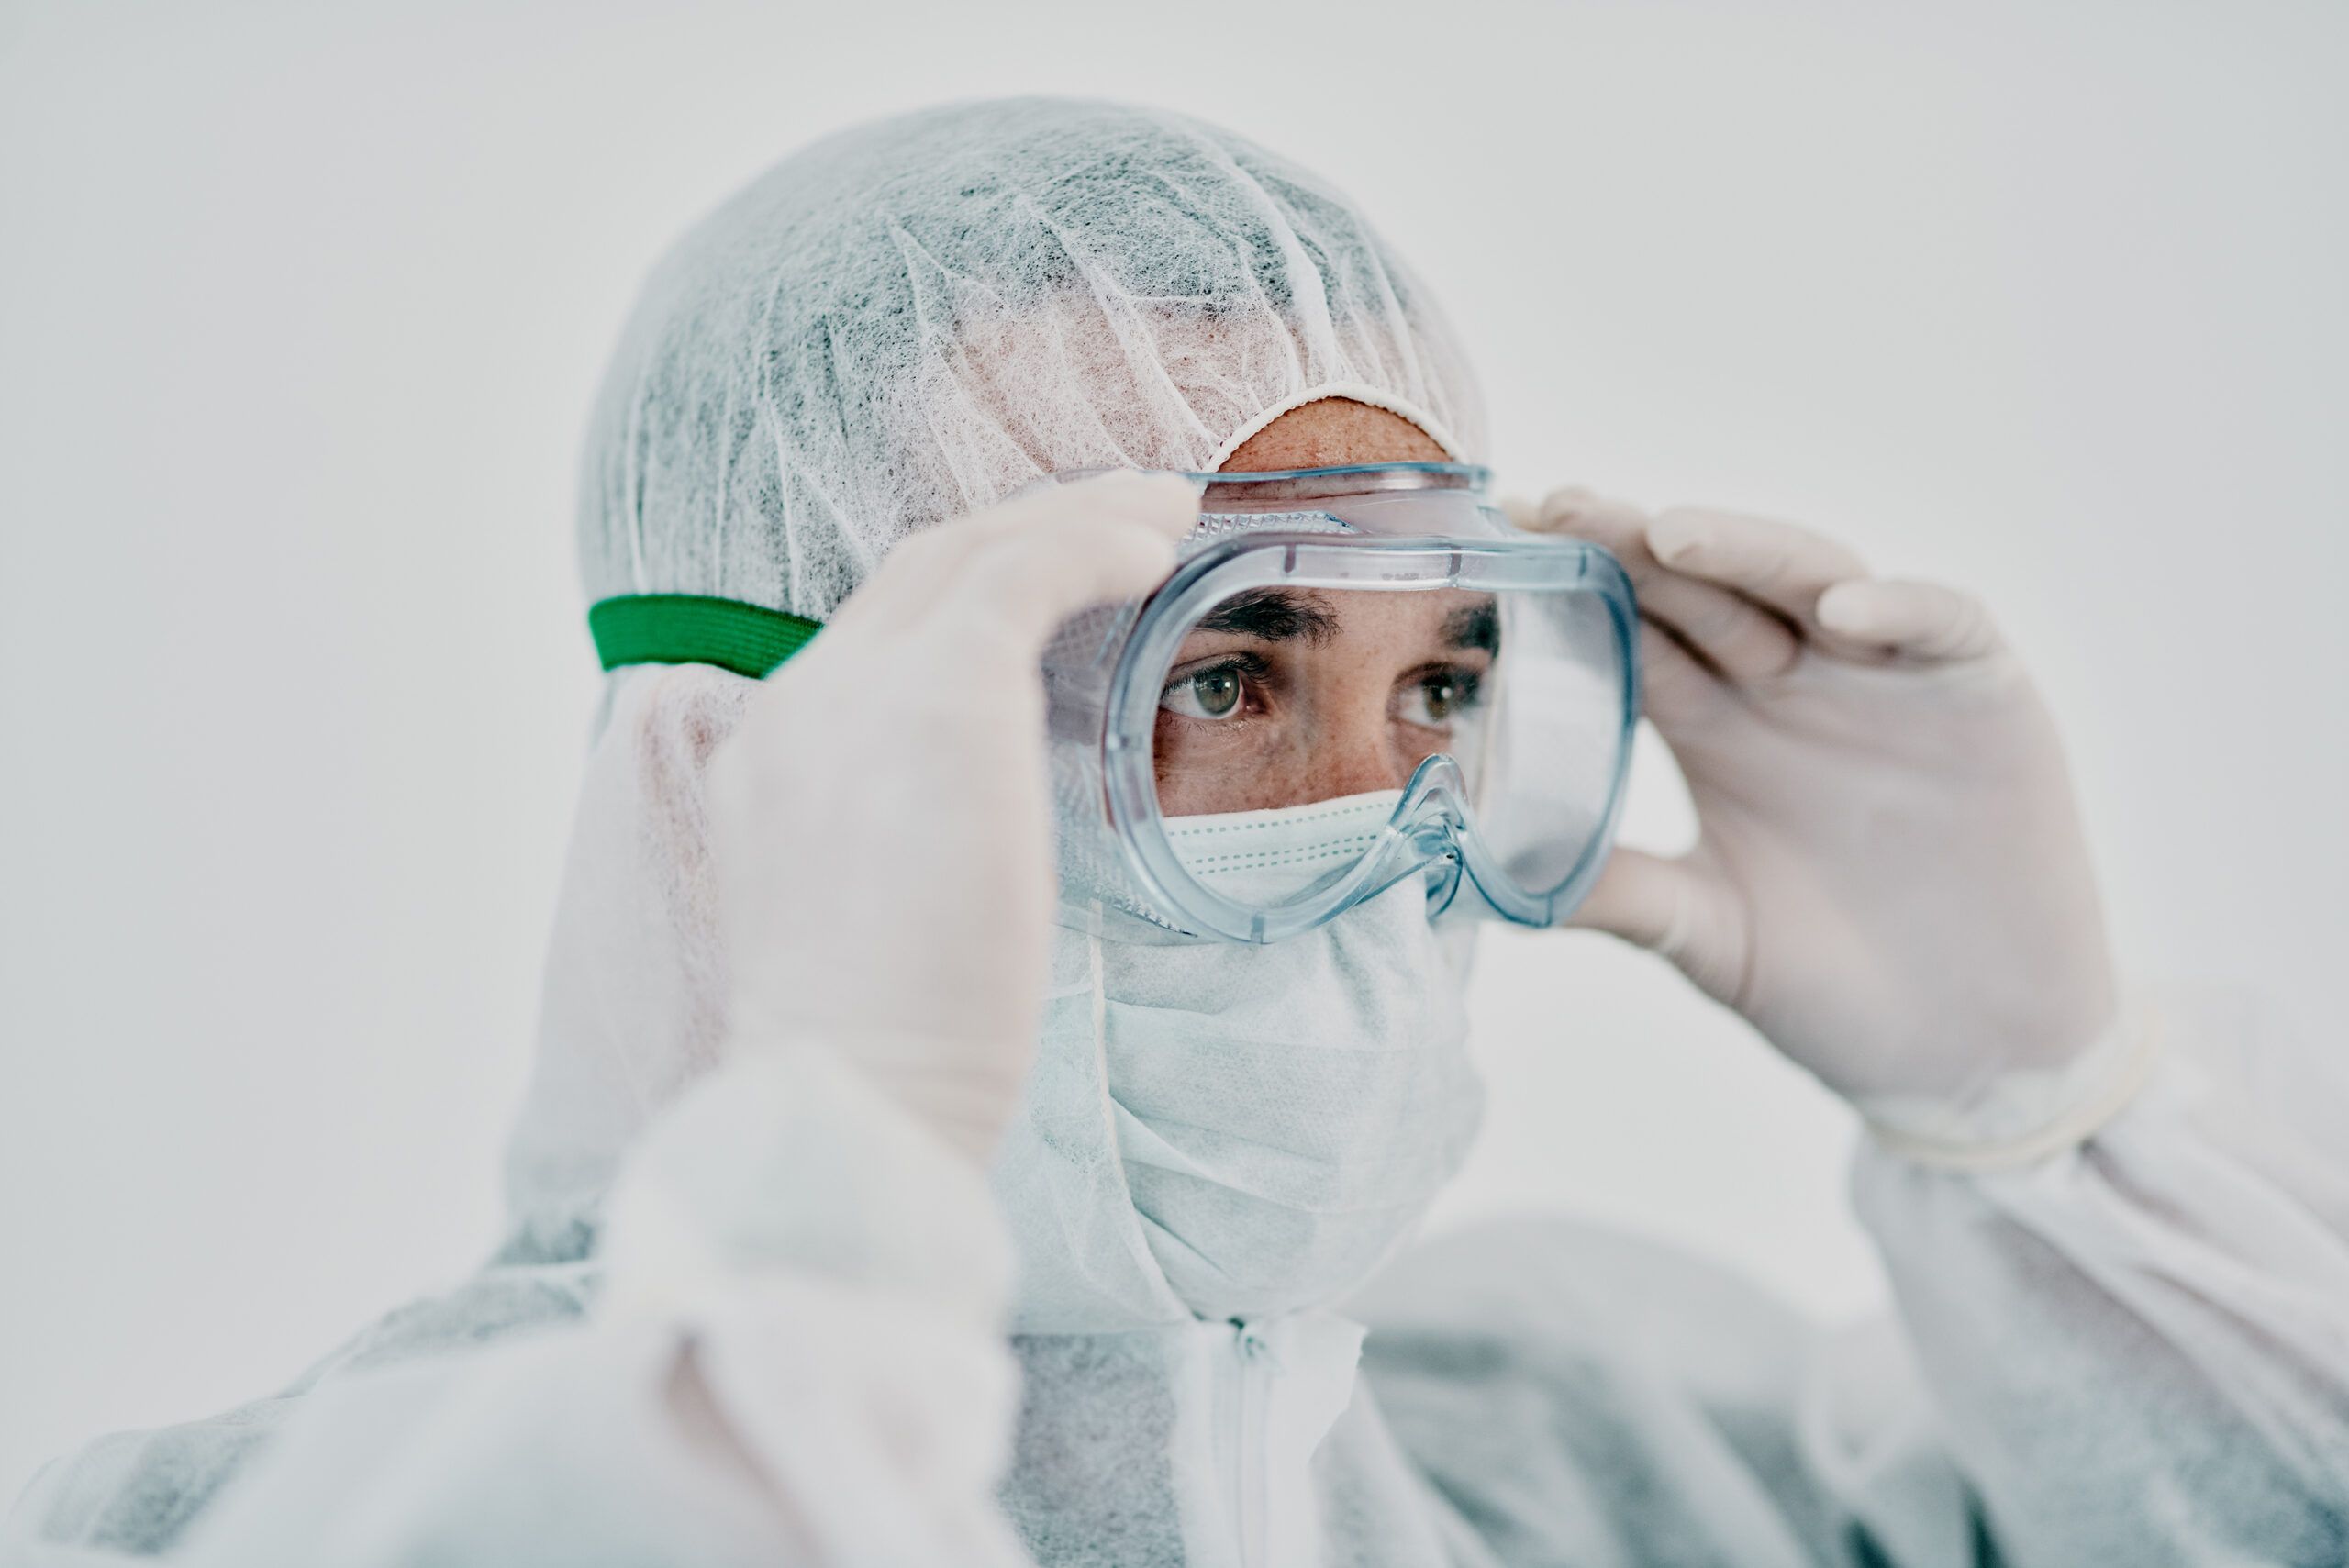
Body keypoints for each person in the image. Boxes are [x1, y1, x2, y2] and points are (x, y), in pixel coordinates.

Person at [6, 96, 2345, 1568]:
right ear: (732, 776)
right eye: (1214, 674)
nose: (1373, 835)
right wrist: (835, 1208)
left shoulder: (1620, 1449)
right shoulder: (285, 1524)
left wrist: (2043, 1130)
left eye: (1441, 681)